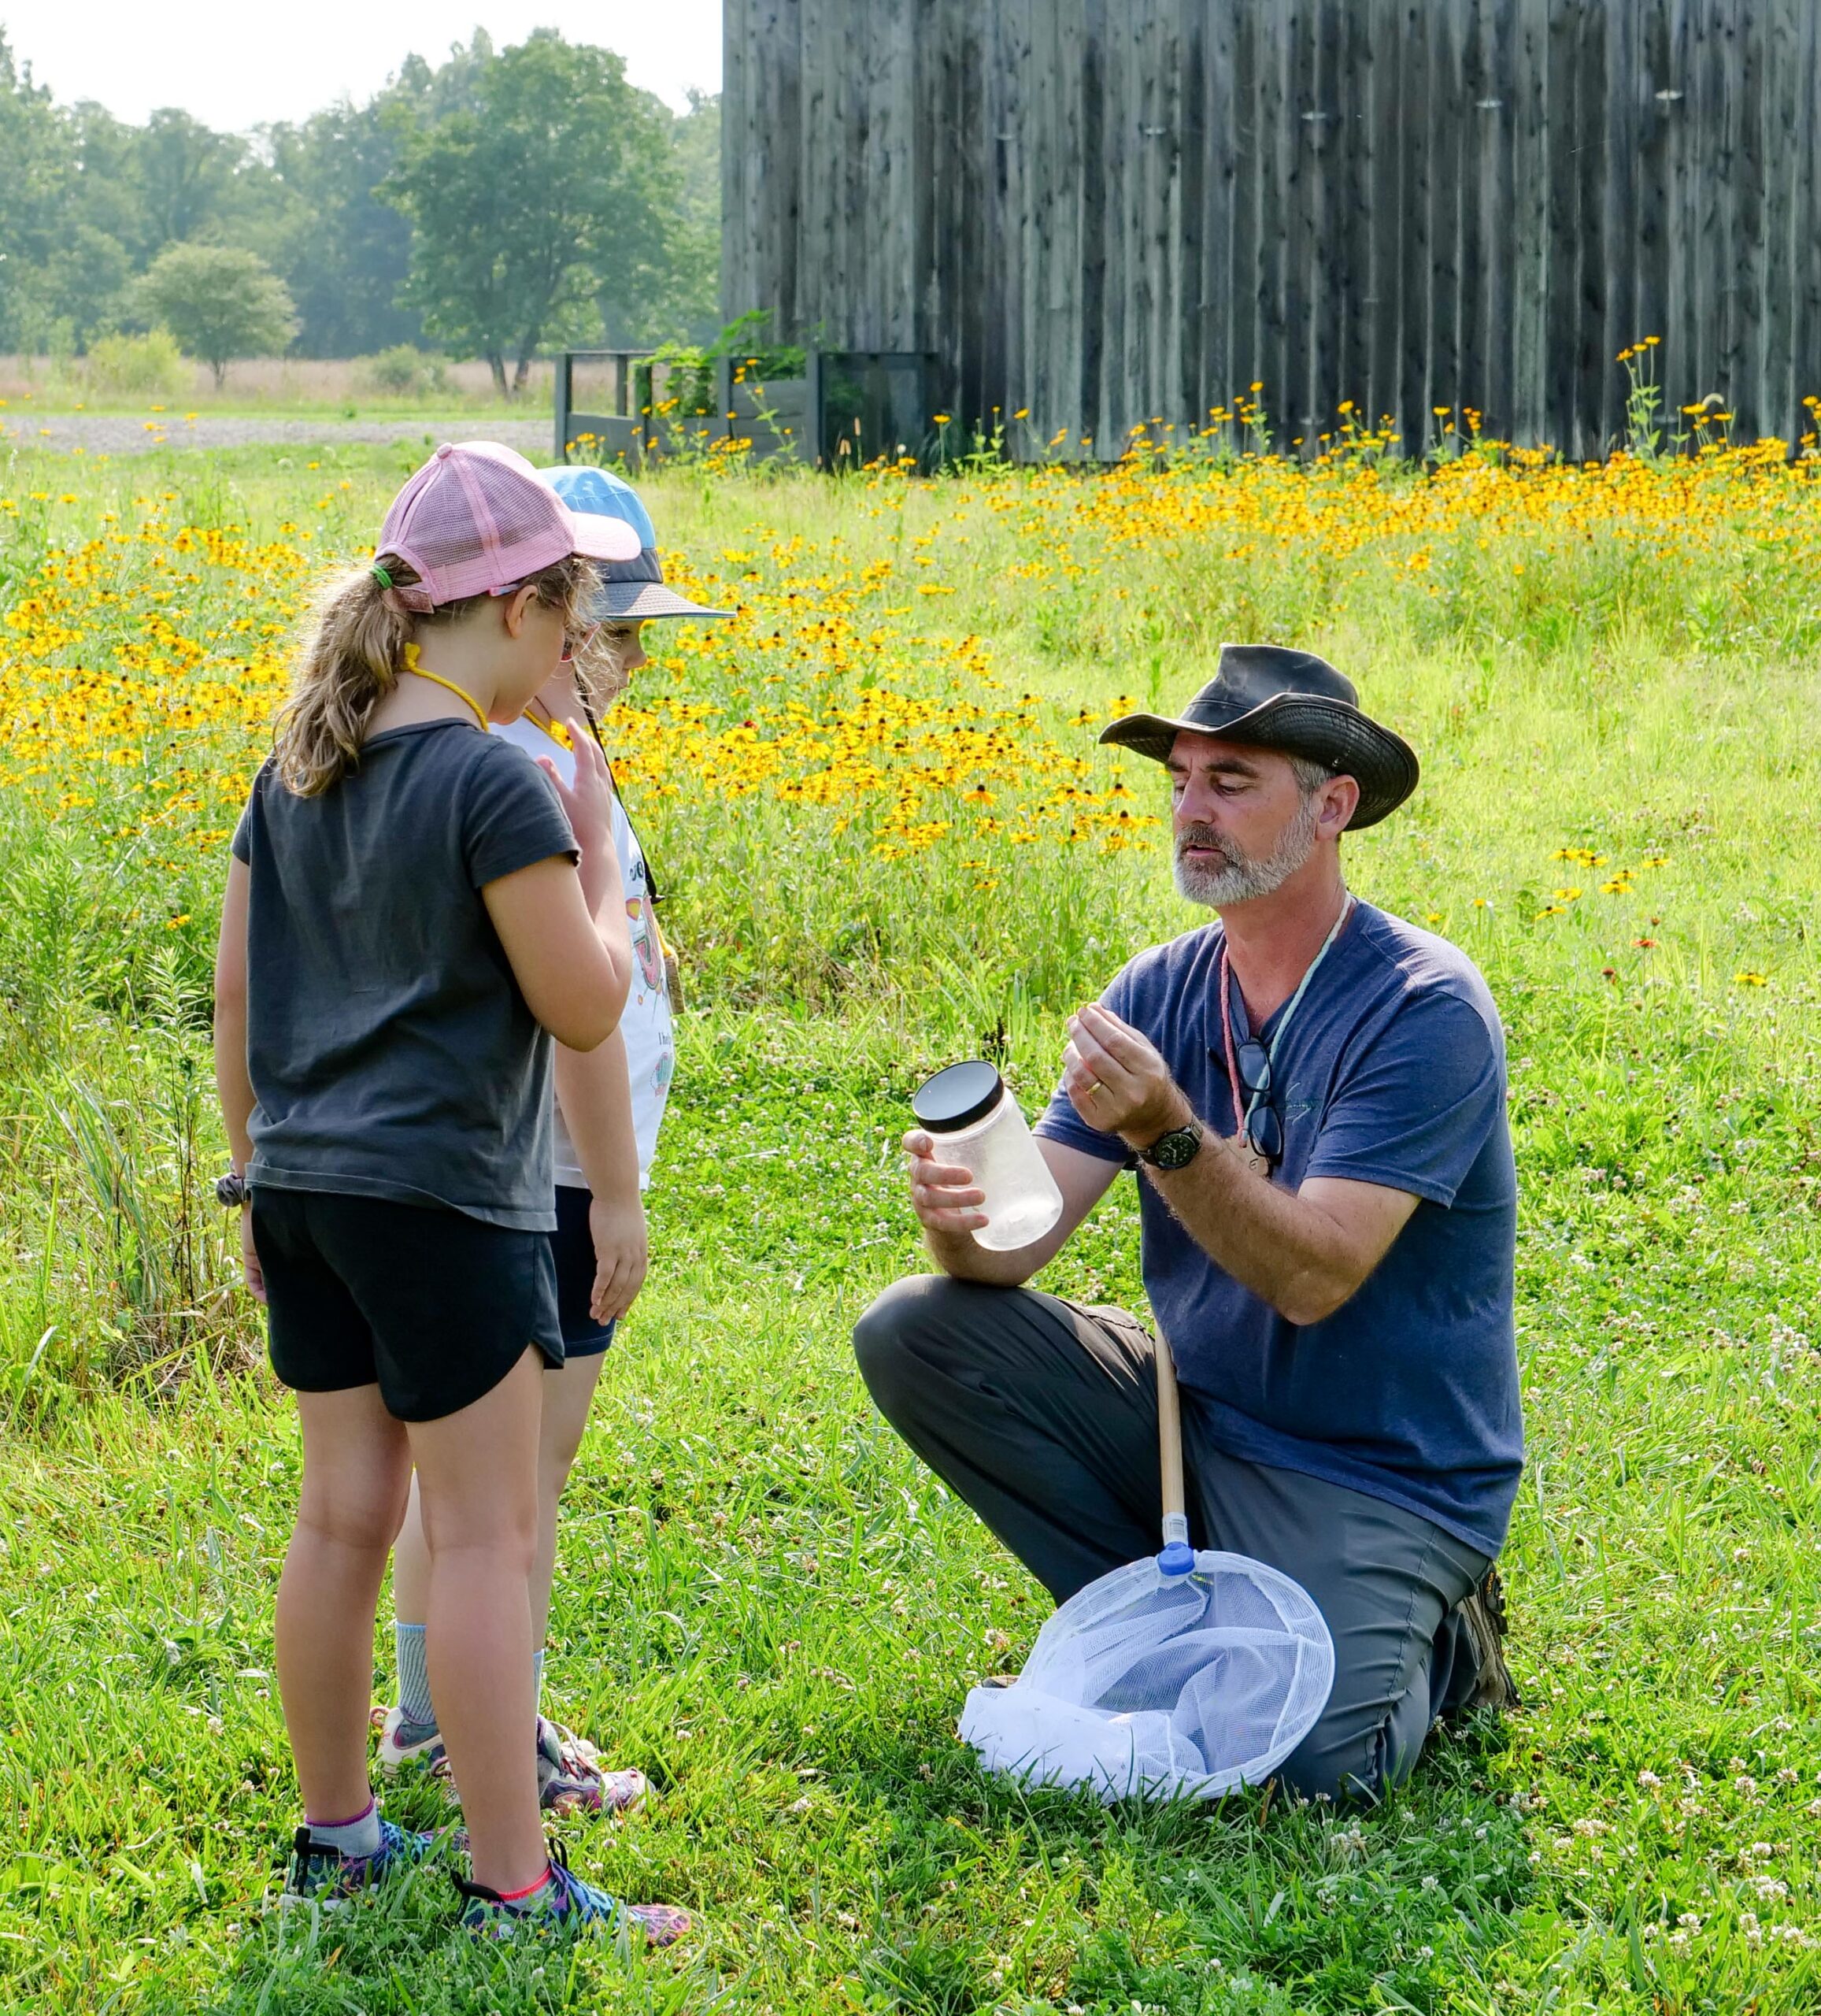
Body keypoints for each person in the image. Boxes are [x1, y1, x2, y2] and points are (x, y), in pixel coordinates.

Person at [853, 644, 1523, 1803]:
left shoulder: (1421, 1006)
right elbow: (1017, 1246)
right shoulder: (1155, 990)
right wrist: (957, 1222)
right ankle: (1193, 1628)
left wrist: (1167, 1130)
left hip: (1376, 1470)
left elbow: (1315, 1279)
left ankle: (1439, 1627)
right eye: (1178, 780)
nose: (1188, 811)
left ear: (1331, 807)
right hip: (1194, 1422)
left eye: (1231, 781)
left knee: (1307, 1778)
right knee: (915, 1329)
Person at [213, 440, 686, 1940]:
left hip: (297, 1185)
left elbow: (232, 999)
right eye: (576, 624)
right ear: (528, 611)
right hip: (440, 1202)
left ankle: (339, 1836)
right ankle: (515, 1881)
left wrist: (252, 1167)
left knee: (343, 1516)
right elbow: (584, 1005)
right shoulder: (493, 780)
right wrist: (598, 858)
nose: (579, 654)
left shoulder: (299, 769)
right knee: (481, 1535)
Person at [377, 465, 729, 1814]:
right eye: (625, 632)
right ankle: (489, 1728)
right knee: (522, 1476)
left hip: (529, 1168)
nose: (639, 662)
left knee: (482, 1479)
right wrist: (620, 1196)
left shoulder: (522, 756)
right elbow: (577, 1018)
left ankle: (433, 1711)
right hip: (557, 1175)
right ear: (557, 629)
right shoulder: (525, 775)